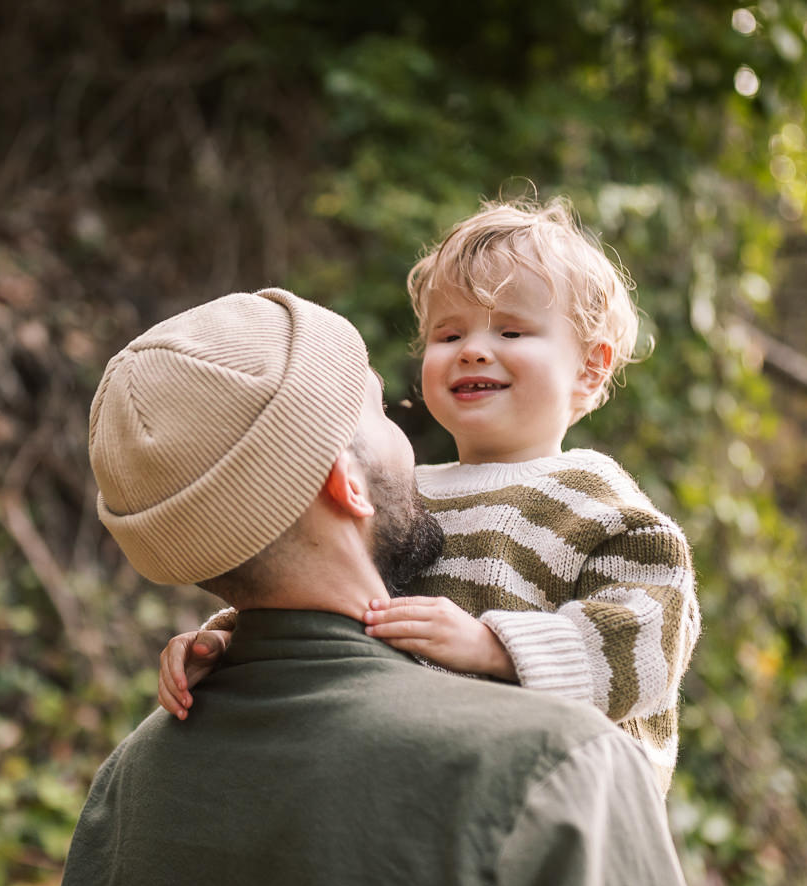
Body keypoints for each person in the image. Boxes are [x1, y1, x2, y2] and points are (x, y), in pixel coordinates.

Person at [38, 286, 736, 886]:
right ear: (346, 480)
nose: (412, 427)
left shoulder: (128, 783)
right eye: (375, 406)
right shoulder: (551, 775)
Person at [158, 198, 701, 791]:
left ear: (590, 368)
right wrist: (229, 639)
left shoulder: (602, 506)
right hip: (420, 782)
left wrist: (494, 647)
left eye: (511, 329)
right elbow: (324, 584)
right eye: (448, 334)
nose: (471, 348)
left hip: (564, 802)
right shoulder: (407, 498)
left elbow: (649, 643)